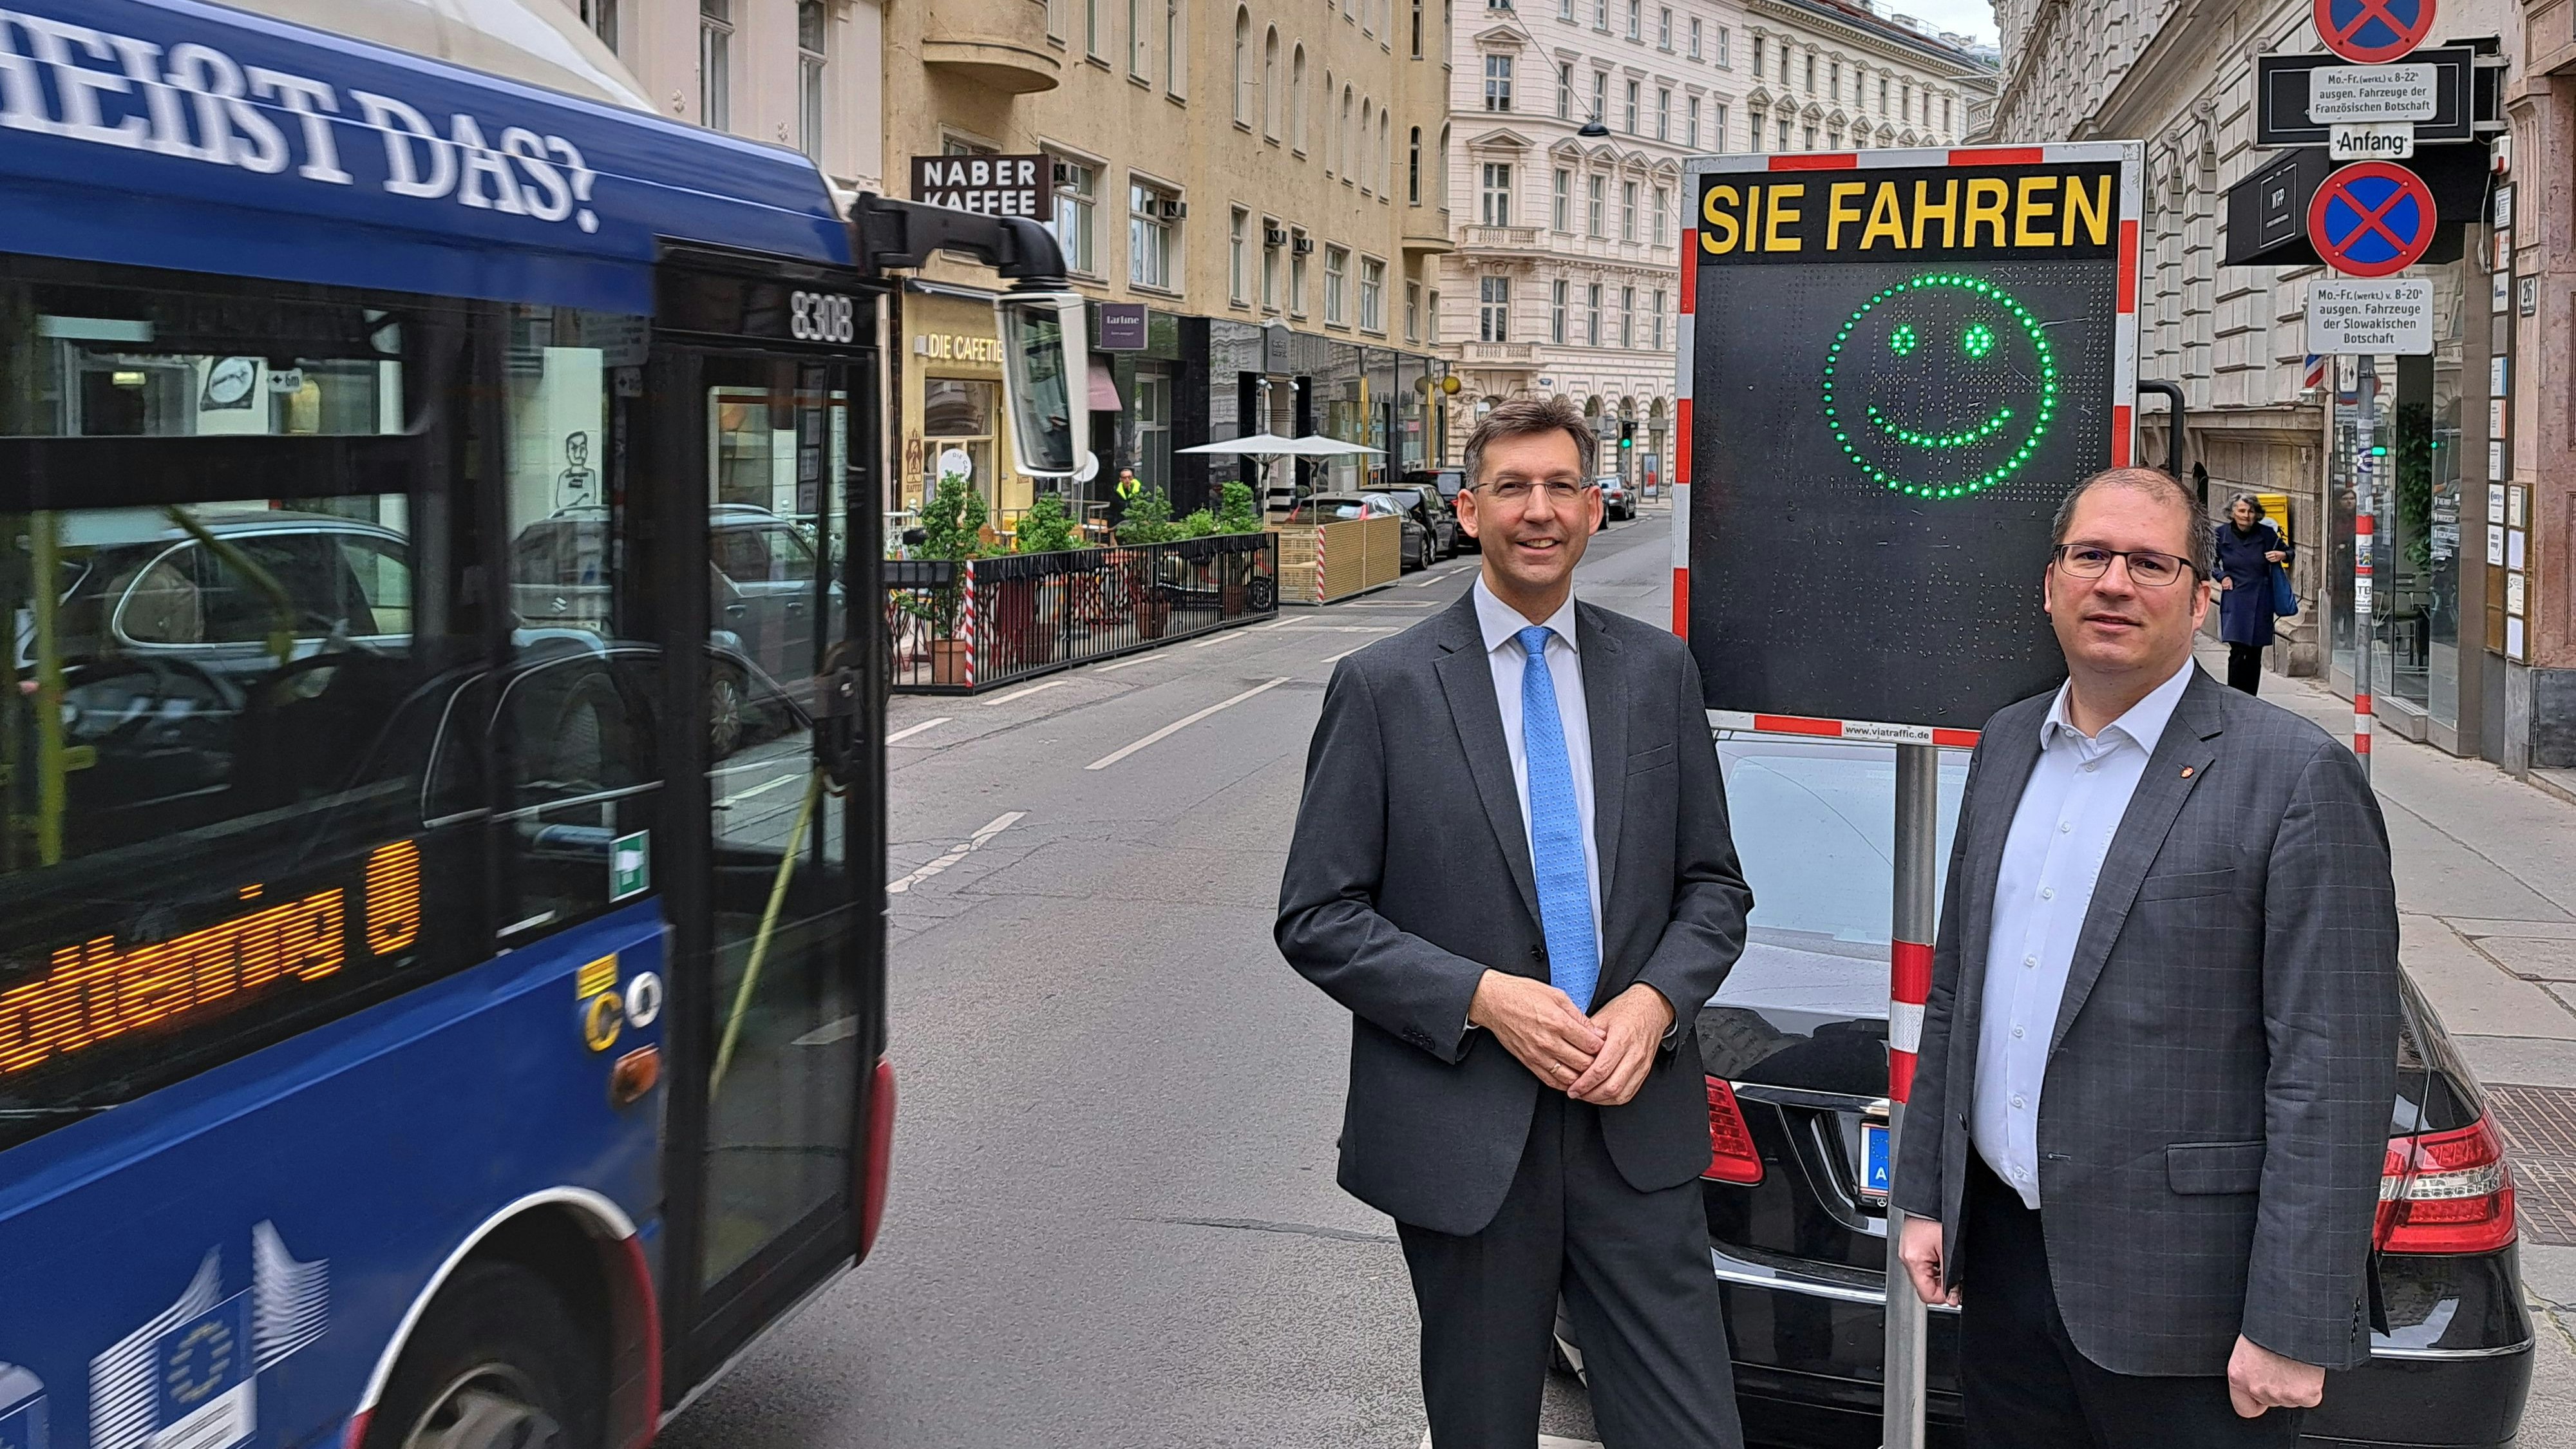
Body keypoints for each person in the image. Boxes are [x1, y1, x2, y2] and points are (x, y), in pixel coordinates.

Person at [1276, 394, 1751, 1449]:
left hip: (1633, 1127)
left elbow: (1715, 889)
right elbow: (1316, 915)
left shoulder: (1657, 674)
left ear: (1594, 508)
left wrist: (1653, 1004)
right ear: (1468, 510)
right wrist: (1482, 1000)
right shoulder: (1384, 688)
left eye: (1558, 488)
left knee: (1692, 1431)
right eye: (1511, 488)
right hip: (1467, 1139)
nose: (1537, 511)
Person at [1893, 467, 2400, 1448]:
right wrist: (1927, 1194)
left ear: (2202, 596)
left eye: (2150, 562)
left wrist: (2291, 1321)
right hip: (2005, 1270)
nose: (2114, 582)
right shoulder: (2006, 745)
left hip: (2192, 1316)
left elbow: (2331, 1075)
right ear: (2051, 583)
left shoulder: (2295, 778)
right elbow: (1958, 993)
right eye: (2091, 556)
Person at [2213, 493, 2293, 695]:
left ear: (2257, 514)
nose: (2246, 515)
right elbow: (2209, 561)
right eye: (2241, 511)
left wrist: (2282, 555)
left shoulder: (2266, 534)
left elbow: (2289, 552)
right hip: (2236, 596)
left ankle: (2251, 697)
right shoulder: (2220, 534)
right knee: (2238, 650)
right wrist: (2222, 577)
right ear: (2232, 513)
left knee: (2255, 652)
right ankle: (2234, 695)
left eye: (2251, 511)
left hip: (2261, 597)